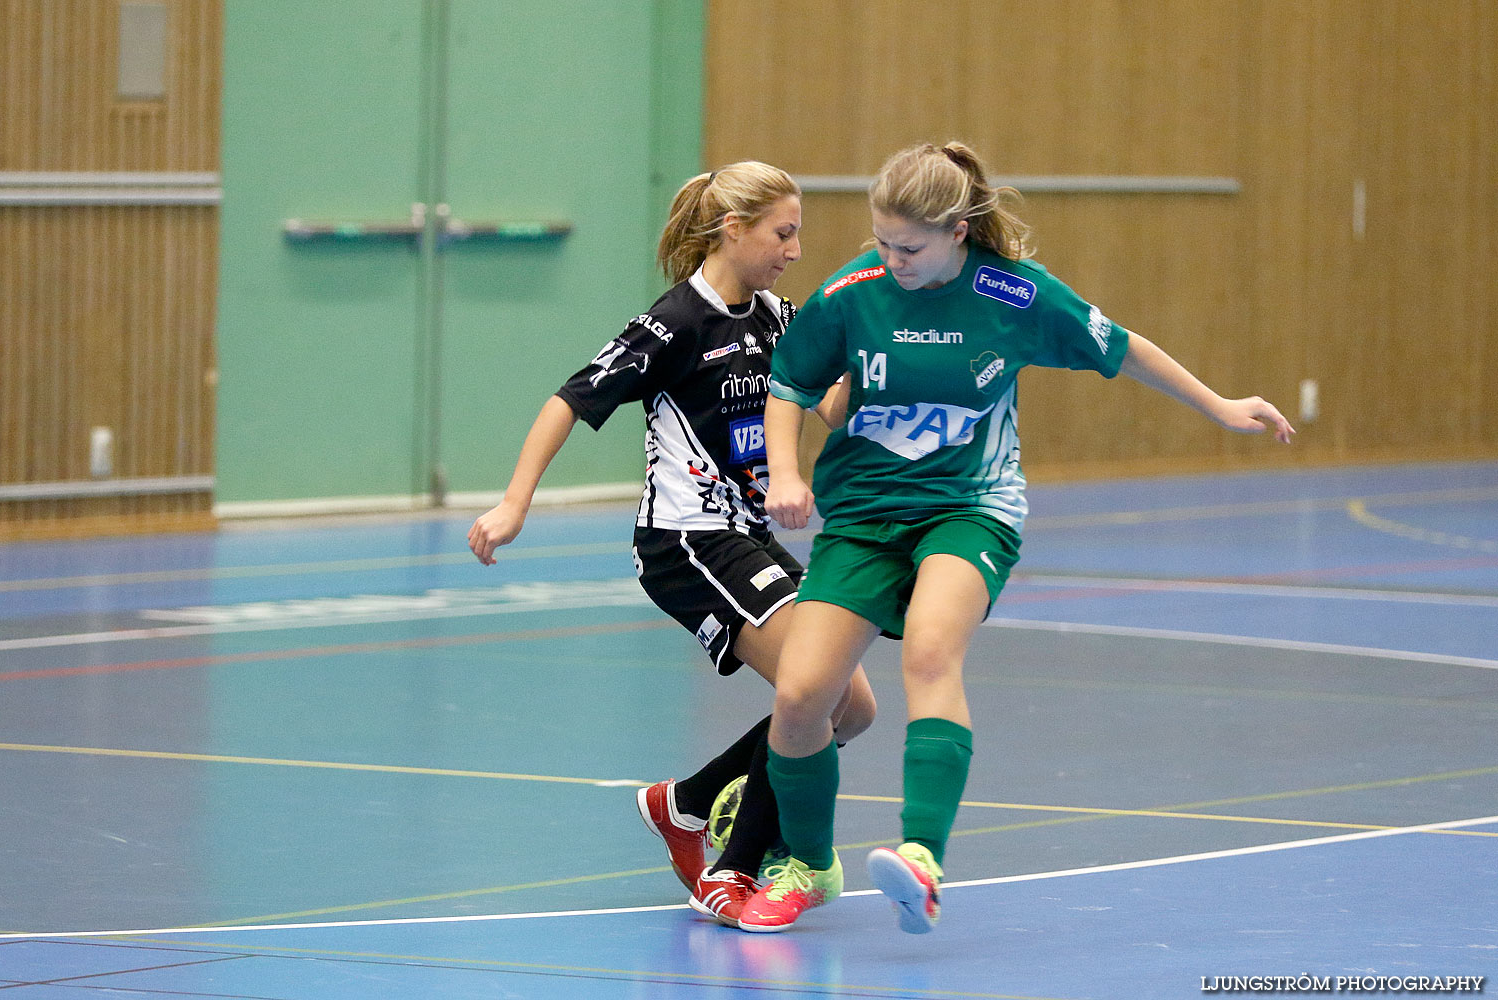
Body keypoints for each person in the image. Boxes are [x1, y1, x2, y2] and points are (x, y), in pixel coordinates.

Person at [736, 141, 1295, 934]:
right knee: (800, 697)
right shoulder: (850, 293)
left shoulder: (1014, 293)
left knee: (930, 649)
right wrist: (786, 474)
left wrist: (1217, 404)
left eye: (910, 247)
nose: (891, 258)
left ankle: (921, 861)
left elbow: (1120, 346)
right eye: (881, 241)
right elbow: (789, 386)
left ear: (959, 231)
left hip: (971, 505)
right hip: (863, 513)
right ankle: (808, 865)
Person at [466, 161, 877, 928]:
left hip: (745, 540)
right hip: (687, 542)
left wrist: (882, 358)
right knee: (814, 693)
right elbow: (570, 398)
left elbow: (830, 407)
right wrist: (515, 502)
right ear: (735, 228)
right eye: (783, 233)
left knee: (850, 707)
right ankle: (734, 871)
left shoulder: (777, 318)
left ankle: (686, 805)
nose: (794, 250)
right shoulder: (676, 323)